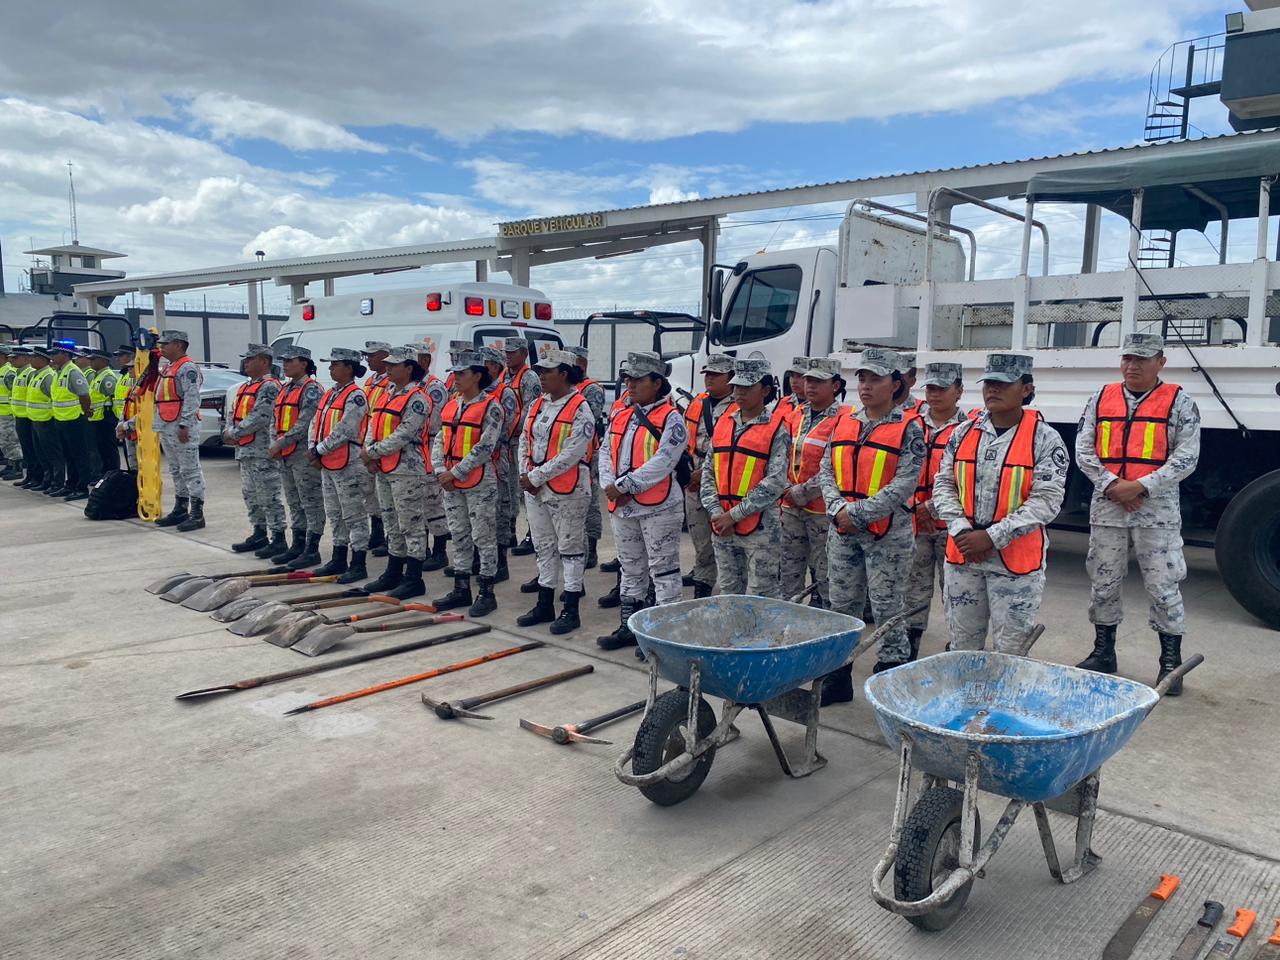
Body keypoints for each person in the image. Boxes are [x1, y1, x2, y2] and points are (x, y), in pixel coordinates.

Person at [1073, 333, 1201, 694]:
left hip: (1155, 509)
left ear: (1161, 362)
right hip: (1109, 504)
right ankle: (1103, 653)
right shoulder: (1101, 398)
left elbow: (1187, 457)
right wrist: (1113, 484)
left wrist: (1141, 486)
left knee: (1163, 585)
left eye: (1142, 360)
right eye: (1128, 358)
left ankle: (1170, 664)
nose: (1133, 366)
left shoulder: (1180, 403)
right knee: (1103, 581)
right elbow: (1084, 448)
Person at [932, 353, 1069, 656]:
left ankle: (1002, 705)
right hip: (963, 557)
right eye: (989, 383)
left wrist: (991, 537)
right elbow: (943, 484)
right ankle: (968, 702)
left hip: (1016, 565)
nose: (993, 389)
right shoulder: (963, 433)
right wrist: (961, 529)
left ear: (1026, 390)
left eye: (1004, 383)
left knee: (1011, 654)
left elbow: (1046, 502)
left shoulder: (1045, 439)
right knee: (962, 650)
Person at [819, 347, 925, 695]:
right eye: (862, 378)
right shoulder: (844, 421)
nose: (865, 386)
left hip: (887, 535)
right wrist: (837, 510)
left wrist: (857, 514)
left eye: (875, 379)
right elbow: (826, 468)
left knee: (887, 605)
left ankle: (891, 674)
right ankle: (838, 676)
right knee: (842, 604)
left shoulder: (909, 428)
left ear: (895, 384)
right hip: (842, 530)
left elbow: (904, 483)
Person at [597, 351, 687, 650]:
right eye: (628, 378)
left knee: (663, 571)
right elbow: (605, 450)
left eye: (637, 379)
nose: (629, 384)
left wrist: (624, 486)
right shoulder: (621, 412)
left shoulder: (673, 420)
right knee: (630, 567)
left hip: (659, 508)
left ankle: (664, 638)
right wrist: (609, 484)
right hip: (623, 508)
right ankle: (629, 627)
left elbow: (663, 461)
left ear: (657, 383)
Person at [516, 348, 596, 633]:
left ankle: (571, 609)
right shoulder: (538, 404)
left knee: (571, 549)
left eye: (548, 372)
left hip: (568, 489)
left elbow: (573, 453)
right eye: (541, 371)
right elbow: (524, 439)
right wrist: (526, 474)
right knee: (544, 546)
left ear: (564, 374)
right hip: (536, 488)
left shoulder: (580, 409)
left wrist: (536, 476)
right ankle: (544, 603)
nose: (542, 377)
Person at [702, 358, 791, 599]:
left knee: (761, 594)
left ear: (765, 390)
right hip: (722, 525)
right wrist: (716, 513)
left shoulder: (777, 429)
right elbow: (708, 472)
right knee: (729, 591)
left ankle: (761, 638)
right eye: (736, 386)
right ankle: (732, 637)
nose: (739, 392)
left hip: (760, 528)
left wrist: (734, 515)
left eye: (747, 387)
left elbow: (774, 482)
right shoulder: (724, 423)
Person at [432, 349, 505, 616]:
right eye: (455, 374)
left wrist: (455, 472)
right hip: (451, 481)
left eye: (461, 374)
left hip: (478, 482)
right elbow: (440, 439)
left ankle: (487, 592)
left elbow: (486, 446)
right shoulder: (452, 404)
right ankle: (461, 588)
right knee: (460, 535)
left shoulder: (490, 406)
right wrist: (441, 470)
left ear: (476, 376)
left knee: (483, 536)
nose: (456, 379)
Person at [903, 362, 968, 659]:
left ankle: (957, 647)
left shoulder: (970, 430)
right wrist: (915, 508)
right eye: (930, 388)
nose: (935, 394)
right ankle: (909, 645)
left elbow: (968, 479)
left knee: (956, 589)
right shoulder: (908, 424)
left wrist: (931, 507)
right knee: (913, 587)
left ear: (959, 391)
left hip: (951, 526)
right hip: (912, 522)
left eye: (943, 388)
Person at [361, 346, 431, 600]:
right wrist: (369, 451)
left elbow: (404, 433)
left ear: (409, 368)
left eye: (394, 365)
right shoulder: (387, 393)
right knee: (391, 522)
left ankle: (414, 578)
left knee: (410, 524)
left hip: (407, 470)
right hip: (384, 468)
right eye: (387, 364)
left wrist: (372, 452)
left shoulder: (417, 398)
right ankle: (393, 571)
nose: (388, 368)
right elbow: (373, 422)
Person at [781, 357, 848, 607]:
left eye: (818, 381)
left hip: (823, 510)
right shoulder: (795, 414)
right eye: (808, 379)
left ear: (835, 386)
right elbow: (780, 455)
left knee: (826, 574)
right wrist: (787, 489)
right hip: (790, 508)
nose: (810, 385)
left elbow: (838, 465)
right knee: (788, 572)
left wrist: (803, 491)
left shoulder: (846, 418)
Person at [308, 347, 372, 584]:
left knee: (353, 514)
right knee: (335, 513)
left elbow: (345, 429)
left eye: (335, 364)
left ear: (349, 367)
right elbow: (316, 422)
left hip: (348, 463)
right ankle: (338, 557)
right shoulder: (330, 394)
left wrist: (318, 449)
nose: (330, 368)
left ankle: (358, 563)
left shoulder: (356, 396)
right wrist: (312, 447)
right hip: (328, 462)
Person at [682, 354, 736, 598]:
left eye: (716, 374)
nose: (710, 379)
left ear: (731, 377)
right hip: (692, 477)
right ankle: (702, 585)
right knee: (700, 536)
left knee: (725, 541)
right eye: (708, 374)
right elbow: (684, 438)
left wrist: (702, 475)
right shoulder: (698, 402)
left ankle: (724, 588)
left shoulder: (739, 406)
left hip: (723, 482)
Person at [223, 343, 284, 555]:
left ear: (265, 362)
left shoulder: (270, 387)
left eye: (250, 359)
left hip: (262, 451)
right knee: (251, 494)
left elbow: (261, 416)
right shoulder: (247, 386)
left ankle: (278, 537)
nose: (245, 363)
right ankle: (259, 533)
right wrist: (229, 430)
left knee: (268, 495)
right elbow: (233, 412)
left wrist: (234, 433)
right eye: (246, 359)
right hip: (245, 450)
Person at [269, 346, 325, 568]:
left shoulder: (311, 390)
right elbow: (277, 418)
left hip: (302, 454)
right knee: (294, 501)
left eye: (290, 361)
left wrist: (280, 444)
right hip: (285, 454)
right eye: (284, 360)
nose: (285, 364)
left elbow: (304, 424)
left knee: (310, 502)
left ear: (303, 363)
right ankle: (298, 545)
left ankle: (312, 549)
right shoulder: (286, 388)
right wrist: (277, 443)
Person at [152, 330, 207, 531]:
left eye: (166, 344)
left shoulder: (187, 367)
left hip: (181, 425)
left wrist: (185, 424)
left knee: (190, 470)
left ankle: (197, 513)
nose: (162, 348)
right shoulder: (168, 366)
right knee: (176, 469)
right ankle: (181, 508)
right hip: (167, 424)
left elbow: (192, 397)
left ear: (179, 345)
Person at [414, 338, 452, 572]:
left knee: (433, 504)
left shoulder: (434, 387)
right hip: (415, 452)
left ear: (426, 361)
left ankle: (439, 552)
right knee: (418, 505)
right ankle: (424, 548)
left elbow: (434, 421)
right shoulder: (411, 386)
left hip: (429, 448)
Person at [503, 337, 542, 556]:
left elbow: (529, 410)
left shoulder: (529, 378)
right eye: (507, 352)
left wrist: (509, 429)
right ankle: (509, 531)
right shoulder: (504, 376)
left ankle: (531, 533)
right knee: (508, 489)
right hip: (506, 440)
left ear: (524, 354)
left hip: (520, 439)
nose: (508, 355)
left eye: (513, 352)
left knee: (523, 488)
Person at [570, 344, 605, 570]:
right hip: (567, 453)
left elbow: (587, 420)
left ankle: (591, 549)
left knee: (590, 501)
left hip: (587, 453)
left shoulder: (591, 389)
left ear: (582, 364)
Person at [48, 344, 95, 501]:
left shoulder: (73, 372)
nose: (52, 357)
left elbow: (84, 395)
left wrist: (86, 411)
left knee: (79, 455)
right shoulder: (59, 372)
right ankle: (71, 485)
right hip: (62, 419)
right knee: (68, 455)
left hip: (75, 419)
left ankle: (81, 488)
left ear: (65, 355)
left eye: (55, 354)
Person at [361, 341, 393, 557]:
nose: (369, 359)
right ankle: (377, 532)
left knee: (385, 496)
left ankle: (388, 536)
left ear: (385, 356)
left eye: (372, 355)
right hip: (367, 442)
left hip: (382, 446)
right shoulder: (371, 381)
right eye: (367, 356)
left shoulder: (392, 382)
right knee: (370, 492)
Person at [26, 348, 60, 494]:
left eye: (34, 357)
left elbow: (53, 398)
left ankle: (56, 482)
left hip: (47, 420)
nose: (31, 360)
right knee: (41, 453)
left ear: (43, 359)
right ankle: (46, 480)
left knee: (52, 454)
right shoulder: (36, 375)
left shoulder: (48, 376)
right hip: (36, 419)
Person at [84, 348, 121, 475]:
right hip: (97, 417)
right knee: (101, 448)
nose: (91, 362)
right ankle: (104, 473)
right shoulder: (97, 376)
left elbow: (112, 397)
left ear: (103, 361)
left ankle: (112, 474)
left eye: (93, 360)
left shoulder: (107, 377)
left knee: (108, 448)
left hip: (106, 418)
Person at [7, 346, 37, 485]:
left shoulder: (30, 373)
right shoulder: (19, 373)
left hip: (29, 417)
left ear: (25, 359)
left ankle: (36, 477)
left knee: (32, 449)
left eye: (15, 357)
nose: (11, 360)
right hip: (20, 416)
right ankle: (30, 477)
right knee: (26, 449)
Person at [113, 347, 141, 472]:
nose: (129, 369)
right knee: (133, 467)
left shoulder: (143, 389)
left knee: (141, 467)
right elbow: (125, 408)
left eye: (131, 367)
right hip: (128, 431)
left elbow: (144, 413)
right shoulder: (132, 387)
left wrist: (124, 426)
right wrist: (120, 425)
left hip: (137, 431)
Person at [0, 344, 22, 480]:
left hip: (8, 413)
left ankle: (17, 468)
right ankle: (9, 464)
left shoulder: (9, 373)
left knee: (12, 441)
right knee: (3, 442)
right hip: (1, 413)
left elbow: (15, 393)